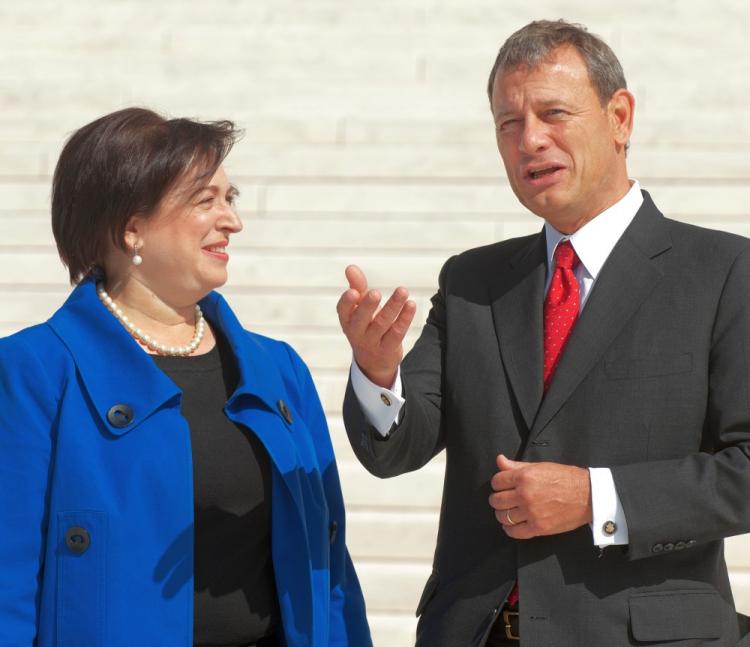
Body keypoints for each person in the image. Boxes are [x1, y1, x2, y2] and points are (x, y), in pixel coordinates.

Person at [338, 19, 750, 647]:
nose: (530, 139)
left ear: (620, 118)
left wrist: (596, 498)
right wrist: (377, 371)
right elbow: (396, 450)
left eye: (553, 113)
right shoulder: (473, 281)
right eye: (509, 123)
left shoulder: (724, 272)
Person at [0, 107, 372, 647]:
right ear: (131, 228)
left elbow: (330, 571)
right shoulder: (34, 370)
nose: (232, 221)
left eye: (230, 198)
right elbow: (7, 583)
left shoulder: (279, 370)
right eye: (205, 200)